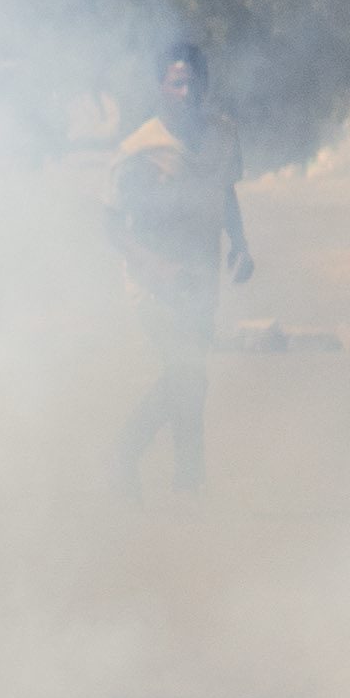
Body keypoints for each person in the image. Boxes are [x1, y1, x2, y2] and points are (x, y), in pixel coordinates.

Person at [105, 36, 251, 494]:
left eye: (193, 83)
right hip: (153, 285)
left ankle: (182, 482)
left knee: (190, 380)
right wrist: (154, 268)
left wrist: (241, 243)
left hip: (200, 280)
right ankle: (140, 459)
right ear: (161, 87)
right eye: (177, 84)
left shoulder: (223, 137)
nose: (186, 94)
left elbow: (225, 190)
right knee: (186, 373)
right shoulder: (140, 149)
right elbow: (112, 225)